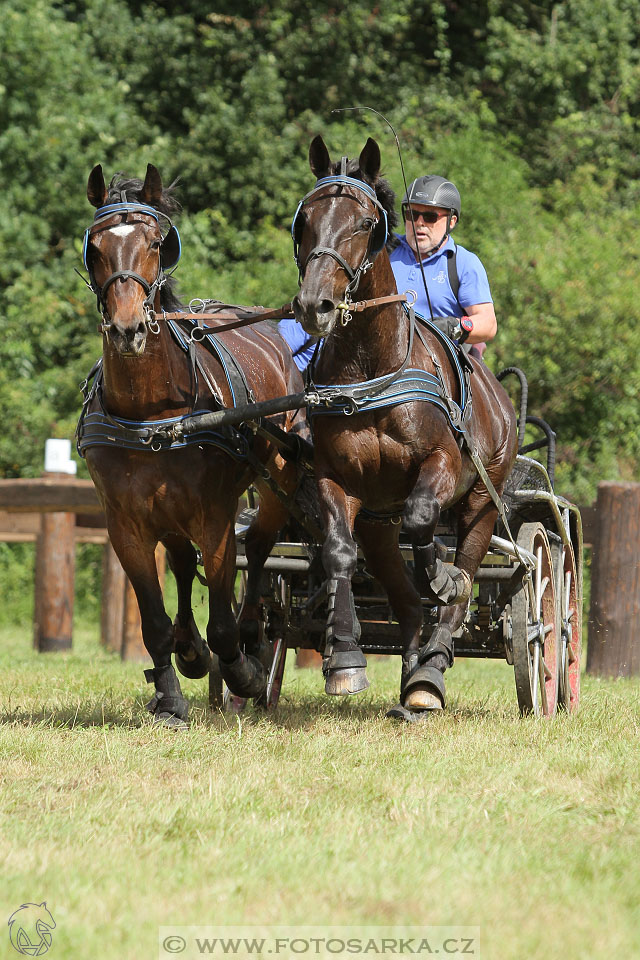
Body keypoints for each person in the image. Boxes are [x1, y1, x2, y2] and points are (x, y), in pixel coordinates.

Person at [389, 175, 495, 357]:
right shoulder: (384, 249)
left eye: (430, 217)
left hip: (437, 365)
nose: (419, 223)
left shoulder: (463, 263)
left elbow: (488, 324)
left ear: (451, 221)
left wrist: (454, 326)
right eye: (412, 214)